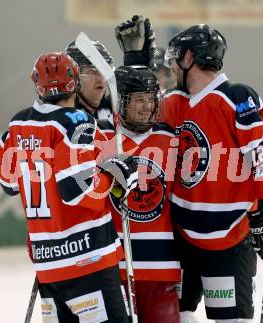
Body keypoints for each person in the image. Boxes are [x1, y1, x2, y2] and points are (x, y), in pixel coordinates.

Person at [118, 21, 263, 323]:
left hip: (229, 240)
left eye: (174, 60)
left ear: (188, 58)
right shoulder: (173, 103)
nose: (171, 67)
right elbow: (135, 119)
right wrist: (137, 62)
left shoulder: (235, 96)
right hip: (182, 239)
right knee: (180, 316)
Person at [0, 51, 138, 322]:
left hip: (48, 265)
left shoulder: (18, 124)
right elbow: (76, 191)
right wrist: (116, 177)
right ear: (75, 83)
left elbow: (6, 182)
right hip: (88, 261)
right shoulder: (77, 122)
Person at [99, 65, 181, 323]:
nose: (147, 107)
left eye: (151, 99)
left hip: (163, 269)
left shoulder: (170, 140)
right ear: (120, 103)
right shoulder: (100, 139)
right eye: (138, 100)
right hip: (116, 270)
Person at [65, 39, 114, 127]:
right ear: (73, 76)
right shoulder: (59, 119)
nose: (101, 80)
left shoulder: (115, 110)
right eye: (92, 71)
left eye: (104, 71)